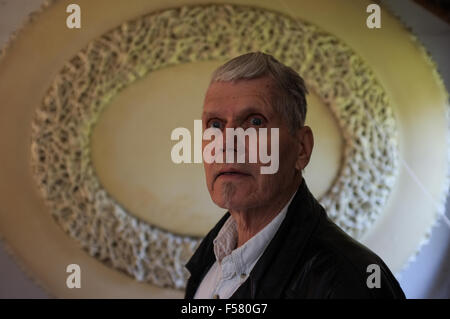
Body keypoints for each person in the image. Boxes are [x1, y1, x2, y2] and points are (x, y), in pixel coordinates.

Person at [184, 52, 405, 299]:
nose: (226, 143)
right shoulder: (209, 259)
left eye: (255, 122)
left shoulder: (350, 281)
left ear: (301, 148)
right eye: (215, 125)